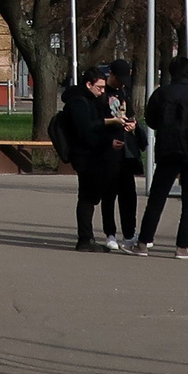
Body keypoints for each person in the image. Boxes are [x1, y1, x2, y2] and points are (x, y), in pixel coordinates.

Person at [134, 57, 188, 260]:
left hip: (167, 150)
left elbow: (151, 120)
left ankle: (144, 242)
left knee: (157, 197)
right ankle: (182, 246)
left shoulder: (160, 94)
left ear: (170, 73)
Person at [61, 64, 131, 251]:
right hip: (85, 156)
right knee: (86, 198)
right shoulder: (78, 102)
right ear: (88, 84)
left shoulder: (87, 99)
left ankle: (87, 238)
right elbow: (85, 131)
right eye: (99, 87)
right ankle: (85, 239)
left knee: (89, 197)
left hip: (90, 155)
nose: (102, 91)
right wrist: (107, 142)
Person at [100, 60, 140, 246]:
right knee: (109, 194)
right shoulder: (102, 93)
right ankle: (110, 233)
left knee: (128, 194)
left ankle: (129, 233)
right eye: (119, 78)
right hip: (109, 150)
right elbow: (97, 121)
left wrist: (133, 124)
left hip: (126, 150)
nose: (122, 83)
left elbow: (131, 114)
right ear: (111, 74)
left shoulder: (124, 91)